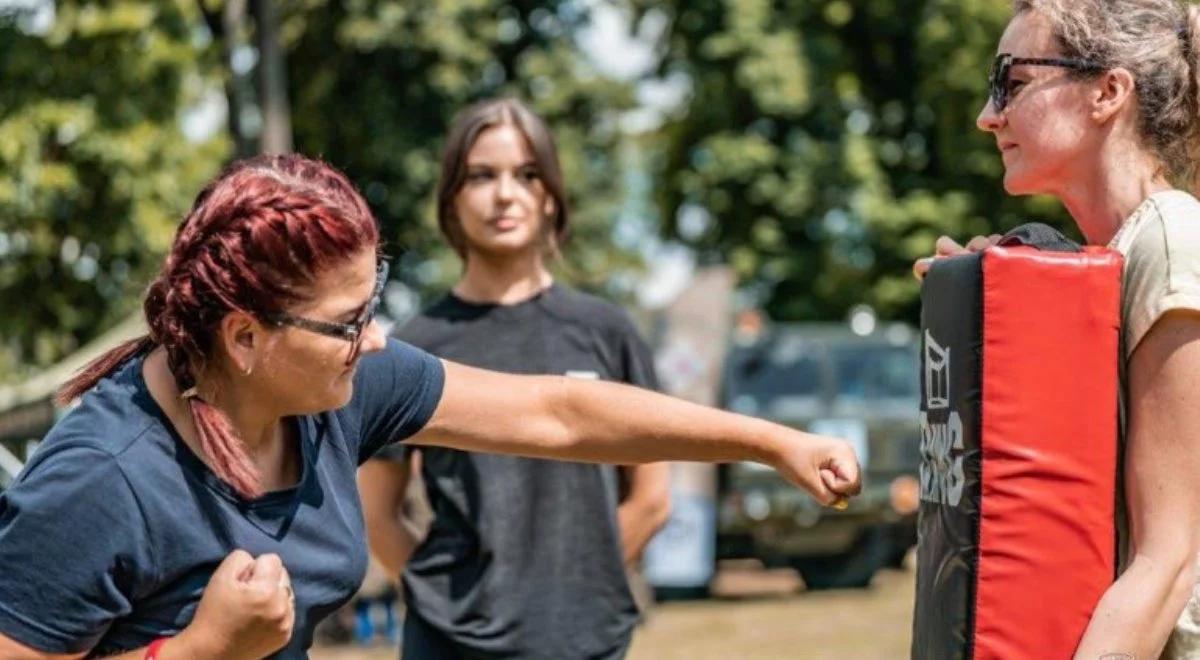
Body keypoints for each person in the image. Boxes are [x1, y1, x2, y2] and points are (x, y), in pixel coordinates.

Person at [0, 153, 859, 659]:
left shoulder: (336, 388)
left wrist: (771, 442)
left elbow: (560, 414)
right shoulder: (102, 479)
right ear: (246, 337)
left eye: (372, 307)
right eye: (348, 323)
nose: (376, 341)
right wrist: (197, 652)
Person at [915, 2, 1200, 657]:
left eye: (1012, 83)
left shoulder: (1171, 241)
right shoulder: (1098, 263)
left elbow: (1169, 562)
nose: (988, 116)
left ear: (1107, 92)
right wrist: (993, 314)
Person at [356, 98, 669, 660]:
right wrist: (451, 605)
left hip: (586, 640)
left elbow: (652, 498)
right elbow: (378, 513)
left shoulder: (607, 332)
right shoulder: (414, 344)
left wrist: (572, 592)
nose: (505, 193)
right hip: (448, 645)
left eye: (526, 174)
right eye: (481, 175)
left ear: (550, 194)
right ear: (452, 196)